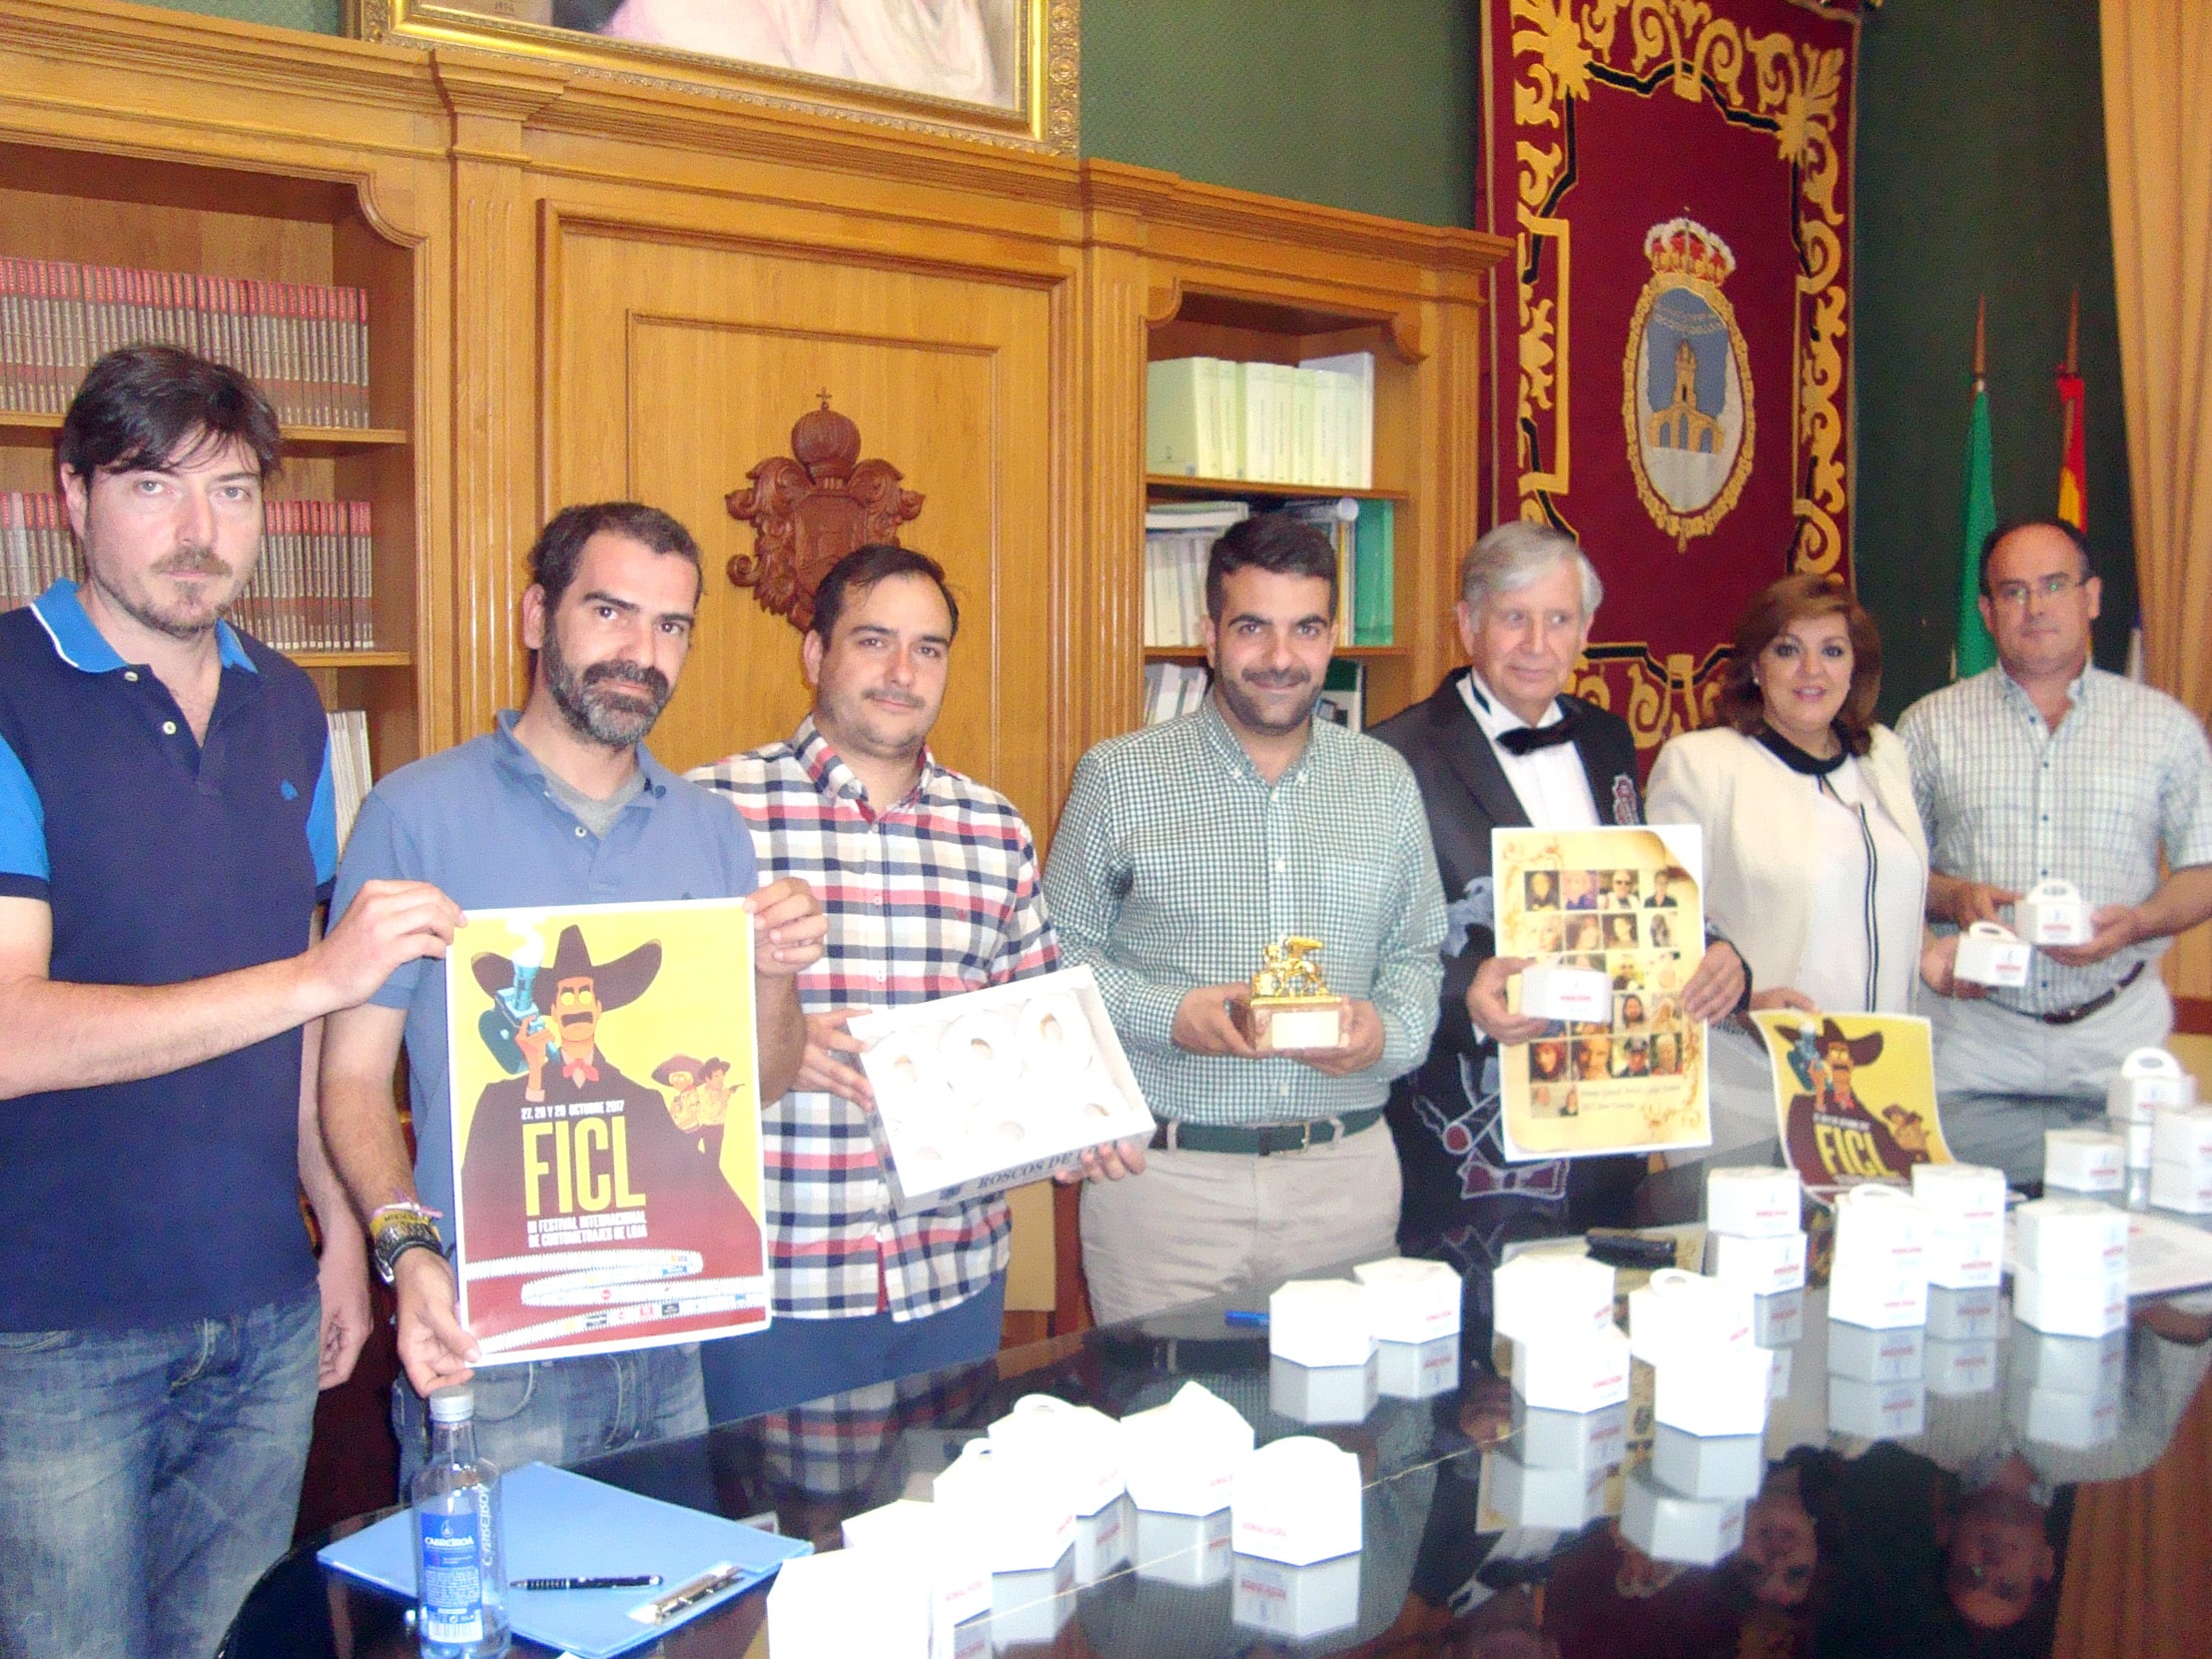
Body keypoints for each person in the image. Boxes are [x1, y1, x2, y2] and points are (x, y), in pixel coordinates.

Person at [0, 346, 462, 1658]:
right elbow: (11, 1032)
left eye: (234, 490)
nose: (199, 530)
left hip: (264, 1305)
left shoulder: (289, 703)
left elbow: (304, 1009)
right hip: (49, 1326)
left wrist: (337, 1227)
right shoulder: (7, 687)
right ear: (73, 494)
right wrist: (319, 973)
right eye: (153, 485)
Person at [318, 500, 824, 1486]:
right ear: (534, 616)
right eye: (609, 611)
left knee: (676, 1585)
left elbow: (757, 1082)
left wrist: (774, 975)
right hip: (493, 1343)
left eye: (671, 625)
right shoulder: (413, 813)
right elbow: (350, 1078)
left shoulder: (713, 830)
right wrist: (408, 1252)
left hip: (672, 1330)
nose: (642, 652)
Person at [688, 544, 1140, 1414]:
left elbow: (1042, 1033)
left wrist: (1087, 1123)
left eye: (927, 648)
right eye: (874, 641)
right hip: (771, 1279)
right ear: (815, 653)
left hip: (950, 1277)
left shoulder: (994, 830)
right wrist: (767, 1044)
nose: (902, 672)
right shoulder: (709, 812)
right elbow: (650, 1043)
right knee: (767, 1507)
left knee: (942, 1502)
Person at [1045, 511, 1445, 1324]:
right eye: (1252, 627)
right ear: (1209, 635)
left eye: (1305, 629)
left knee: (1341, 1404)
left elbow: (1416, 954)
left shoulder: (1385, 781)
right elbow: (1055, 959)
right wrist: (1170, 1014)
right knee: (1159, 1403)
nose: (1279, 657)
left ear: (1331, 637)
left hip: (1345, 1178)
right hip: (1167, 1189)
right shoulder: (1118, 776)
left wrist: (1384, 1033)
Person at [1367, 521, 1747, 1268]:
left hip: (1609, 1134)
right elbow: (1364, 942)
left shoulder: (1607, 739)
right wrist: (1465, 995)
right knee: (1480, 1342)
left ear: (1586, 631)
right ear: (1468, 624)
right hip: (1468, 1148)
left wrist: (1717, 954)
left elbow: (1635, 898)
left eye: (1559, 619)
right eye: (1514, 617)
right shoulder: (1392, 757)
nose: (1537, 643)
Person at [1900, 519, 2212, 1117]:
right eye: (2014, 591)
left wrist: (2139, 923)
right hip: (1971, 1039)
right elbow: (1890, 871)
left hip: (2116, 1038)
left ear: (2091, 597)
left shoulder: (2164, 726)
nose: (2035, 607)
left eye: (2054, 585)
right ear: (1988, 612)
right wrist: (1954, 896)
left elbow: (2204, 868)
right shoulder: (1928, 727)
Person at [1646, 574, 1933, 1159]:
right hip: (1750, 1088)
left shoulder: (1884, 755)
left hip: (1879, 1089)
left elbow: (1883, 893)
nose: (1812, 671)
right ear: (1755, 666)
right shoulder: (1701, 765)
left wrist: (1935, 952)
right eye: (1787, 650)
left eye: (1832, 651)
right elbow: (1659, 931)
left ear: (1855, 667)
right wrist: (1744, 1002)